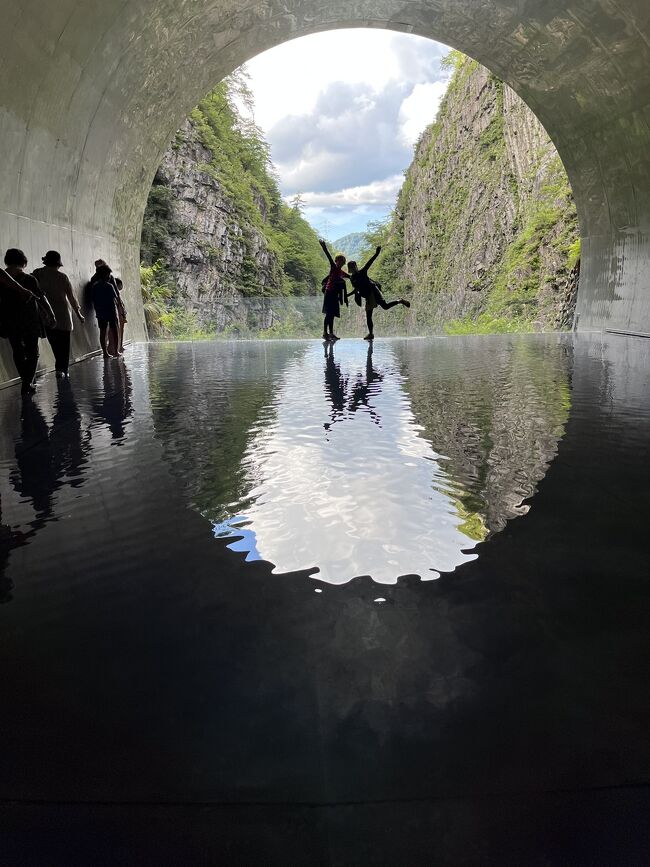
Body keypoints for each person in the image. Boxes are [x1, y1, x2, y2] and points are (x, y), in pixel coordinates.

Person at [32, 250, 84, 378]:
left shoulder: (37, 274)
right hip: (63, 315)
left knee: (54, 343)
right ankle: (63, 369)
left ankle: (59, 369)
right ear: (58, 263)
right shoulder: (62, 277)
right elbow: (72, 298)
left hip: (46, 316)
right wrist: (78, 314)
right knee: (64, 344)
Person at [2, 249, 45, 395]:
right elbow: (40, 299)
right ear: (23, 261)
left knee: (18, 351)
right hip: (30, 320)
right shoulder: (29, 279)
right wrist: (50, 314)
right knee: (33, 352)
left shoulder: (2, 279)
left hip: (10, 319)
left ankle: (26, 381)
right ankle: (27, 383)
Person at [348, 246, 410, 340]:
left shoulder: (362, 272)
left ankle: (400, 301)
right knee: (368, 315)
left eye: (354, 267)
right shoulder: (352, 279)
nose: (353, 269)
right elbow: (356, 289)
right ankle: (371, 334)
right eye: (351, 268)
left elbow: (370, 262)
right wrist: (347, 295)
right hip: (368, 296)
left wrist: (376, 253)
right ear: (350, 269)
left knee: (385, 306)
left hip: (374, 291)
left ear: (356, 267)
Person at [319, 239, 350, 341]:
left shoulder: (341, 272)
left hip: (334, 295)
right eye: (339, 260)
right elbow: (328, 256)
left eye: (342, 261)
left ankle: (331, 333)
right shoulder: (334, 267)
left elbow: (351, 277)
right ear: (336, 261)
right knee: (329, 313)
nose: (341, 262)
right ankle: (325, 333)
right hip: (329, 292)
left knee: (331, 315)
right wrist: (324, 247)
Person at [91, 263, 120, 358]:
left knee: (102, 332)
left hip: (100, 312)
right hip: (111, 311)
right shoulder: (109, 286)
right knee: (114, 330)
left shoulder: (95, 286)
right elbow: (115, 298)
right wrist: (119, 308)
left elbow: (93, 299)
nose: (109, 277)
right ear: (104, 275)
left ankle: (105, 353)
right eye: (108, 275)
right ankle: (116, 351)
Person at [114, 277, 127, 354]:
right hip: (119, 314)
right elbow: (119, 304)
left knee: (121, 330)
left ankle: (120, 346)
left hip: (120, 314)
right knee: (119, 330)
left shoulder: (116, 293)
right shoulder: (115, 293)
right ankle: (118, 347)